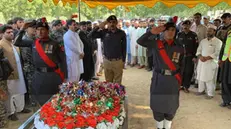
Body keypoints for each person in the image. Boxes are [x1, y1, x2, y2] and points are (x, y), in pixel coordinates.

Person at [137, 22, 184, 129]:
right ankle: (159, 126)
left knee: (171, 106)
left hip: (173, 80)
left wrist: (180, 81)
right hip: (159, 79)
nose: (170, 32)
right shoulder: (156, 43)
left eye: (173, 30)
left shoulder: (180, 46)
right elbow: (140, 41)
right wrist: (151, 32)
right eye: (168, 29)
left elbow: (182, 65)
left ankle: (167, 126)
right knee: (157, 105)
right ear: (163, 31)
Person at [14, 18, 66, 106]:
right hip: (38, 76)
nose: (40, 32)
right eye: (37, 29)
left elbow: (63, 61)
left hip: (52, 76)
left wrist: (64, 77)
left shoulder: (55, 44)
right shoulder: (33, 43)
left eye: (42, 29)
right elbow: (17, 42)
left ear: (48, 31)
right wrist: (22, 29)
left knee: (53, 101)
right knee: (39, 101)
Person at [0, 25, 31, 121]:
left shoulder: (14, 43)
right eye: (8, 32)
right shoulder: (1, 44)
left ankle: (20, 108)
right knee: (10, 93)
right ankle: (11, 112)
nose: (11, 33)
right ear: (2, 34)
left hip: (19, 71)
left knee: (20, 90)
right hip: (8, 74)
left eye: (12, 32)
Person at [88, 15, 126, 85]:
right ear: (107, 23)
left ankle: (118, 96)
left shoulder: (121, 33)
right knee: (108, 83)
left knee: (117, 83)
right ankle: (110, 95)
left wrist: (123, 61)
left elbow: (124, 47)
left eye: (114, 22)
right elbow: (90, 35)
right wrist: (99, 26)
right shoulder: (104, 32)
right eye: (110, 22)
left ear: (116, 23)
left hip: (118, 61)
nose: (112, 24)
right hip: (107, 61)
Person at [196, 25, 222, 99]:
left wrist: (208, 58)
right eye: (207, 31)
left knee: (210, 78)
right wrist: (200, 56)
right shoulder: (203, 41)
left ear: (214, 32)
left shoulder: (218, 42)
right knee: (200, 77)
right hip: (202, 61)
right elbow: (198, 50)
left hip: (211, 62)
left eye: (210, 31)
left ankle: (210, 94)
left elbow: (217, 52)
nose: (208, 32)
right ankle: (201, 90)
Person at [17, 19, 36, 106]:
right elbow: (27, 57)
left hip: (36, 68)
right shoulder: (25, 39)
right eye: (32, 27)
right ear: (27, 29)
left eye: (35, 27)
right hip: (30, 68)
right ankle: (33, 105)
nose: (34, 29)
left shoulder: (35, 39)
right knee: (32, 90)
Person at [176, 20, 199, 93]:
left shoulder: (193, 35)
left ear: (190, 26)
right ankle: (180, 85)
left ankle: (186, 86)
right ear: (182, 26)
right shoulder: (179, 34)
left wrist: (195, 56)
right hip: (180, 56)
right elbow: (176, 46)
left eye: (187, 25)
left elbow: (196, 46)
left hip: (190, 56)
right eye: (184, 25)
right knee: (180, 70)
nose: (186, 27)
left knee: (188, 71)